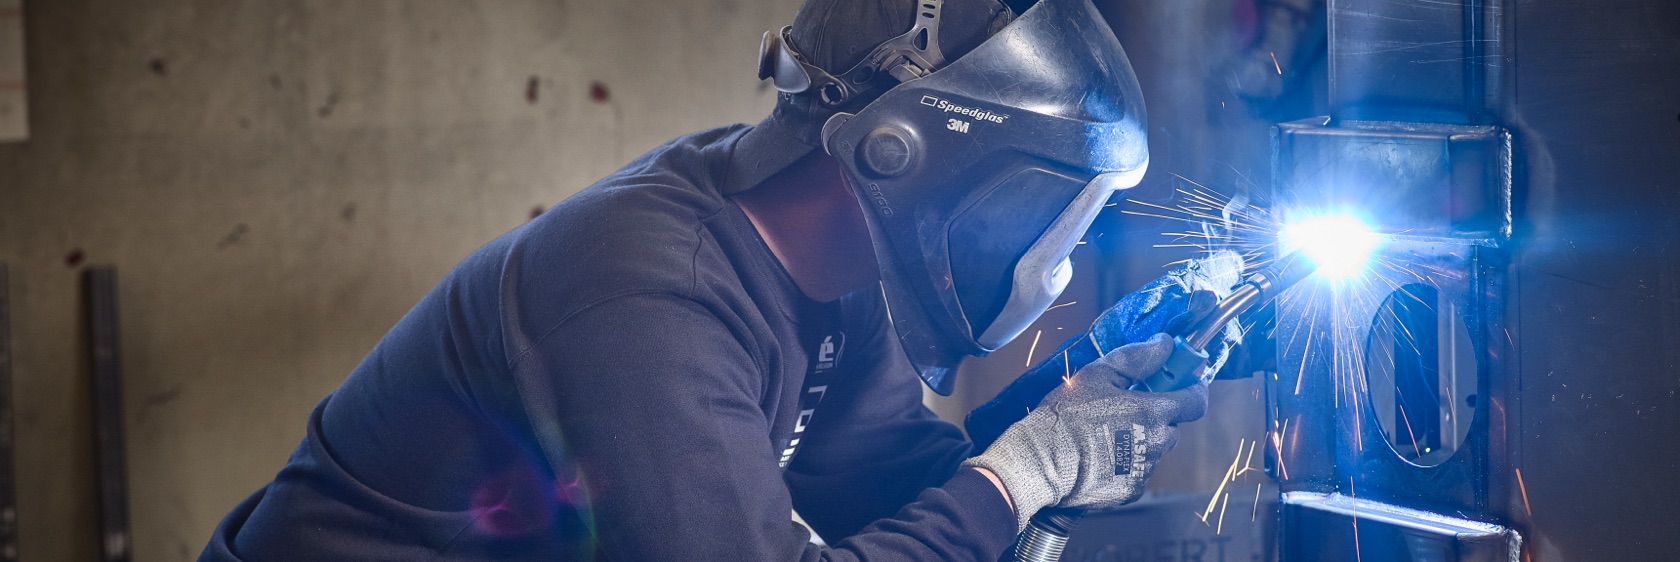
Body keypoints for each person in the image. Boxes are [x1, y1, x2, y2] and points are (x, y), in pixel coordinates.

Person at [200, 0, 1241, 560]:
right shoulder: (644, 294)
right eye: (1047, 207)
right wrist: (1025, 474)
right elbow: (971, 504)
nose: (1052, 252)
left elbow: (899, 487)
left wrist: (1071, 400)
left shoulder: (836, 271)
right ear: (904, 156)